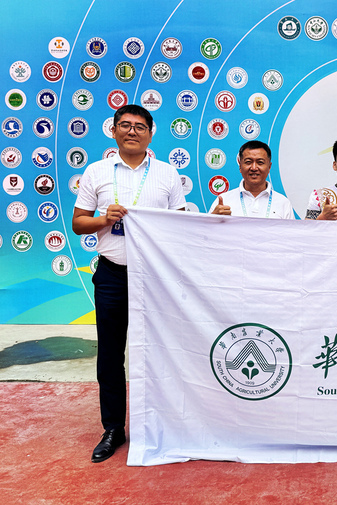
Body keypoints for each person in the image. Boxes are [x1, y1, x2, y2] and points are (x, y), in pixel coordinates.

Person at [72, 104, 186, 463]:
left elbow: (181, 223)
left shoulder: (167, 174)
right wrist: (104, 219)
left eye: (139, 126)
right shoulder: (97, 171)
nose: (132, 131)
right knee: (110, 354)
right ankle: (113, 429)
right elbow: (78, 223)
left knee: (164, 350)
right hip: (113, 275)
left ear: (151, 134)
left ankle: (166, 423)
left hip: (155, 276)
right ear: (114, 131)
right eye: (125, 125)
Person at [209, 140, 294, 219]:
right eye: (248, 162)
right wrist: (213, 220)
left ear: (269, 167)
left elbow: (290, 231)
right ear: (240, 166)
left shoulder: (283, 203)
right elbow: (207, 230)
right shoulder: (224, 200)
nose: (254, 168)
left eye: (260, 162)